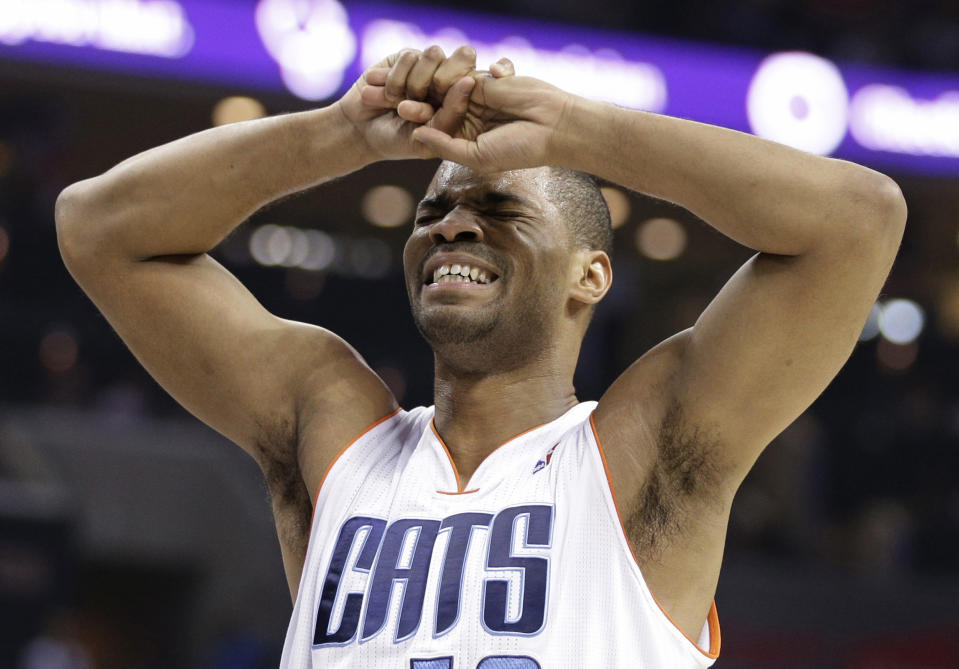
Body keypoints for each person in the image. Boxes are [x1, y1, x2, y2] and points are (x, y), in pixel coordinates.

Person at [54, 45, 906, 668]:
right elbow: (97, 228)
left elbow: (856, 220)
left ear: (590, 274)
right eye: (431, 213)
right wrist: (345, 132)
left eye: (500, 205)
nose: (451, 224)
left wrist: (578, 128)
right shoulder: (334, 425)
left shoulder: (641, 449)